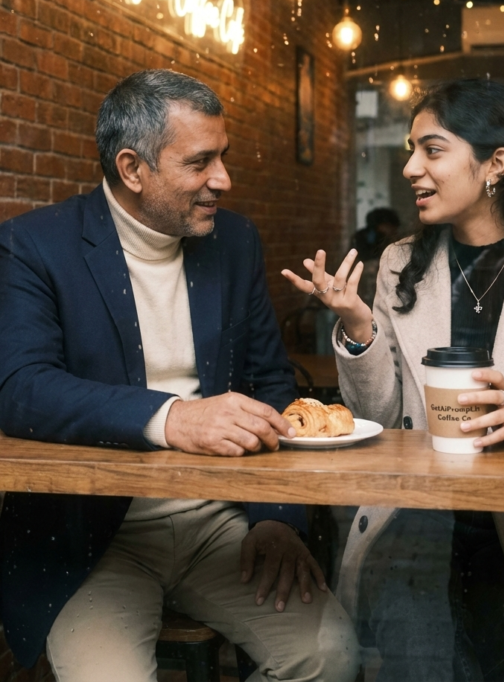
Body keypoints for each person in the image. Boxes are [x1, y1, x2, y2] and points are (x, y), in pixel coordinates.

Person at [0, 70, 358, 682]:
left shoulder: (236, 241)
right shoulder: (33, 246)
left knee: (329, 655)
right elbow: (19, 388)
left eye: (223, 157)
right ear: (133, 168)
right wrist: (172, 416)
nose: (223, 179)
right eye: (201, 162)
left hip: (224, 523)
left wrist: (276, 514)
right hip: (89, 541)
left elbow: (271, 384)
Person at [283, 79, 504, 682]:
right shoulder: (399, 263)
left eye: (432, 149)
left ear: (496, 163)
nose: (411, 167)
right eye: (411, 149)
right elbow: (383, 420)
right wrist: (360, 328)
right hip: (422, 532)